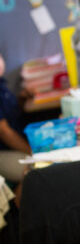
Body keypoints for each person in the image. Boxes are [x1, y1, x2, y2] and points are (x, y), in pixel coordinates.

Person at [0, 53, 31, 184]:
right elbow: (3, 131)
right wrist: (31, 151)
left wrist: (21, 99)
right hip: (4, 151)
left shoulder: (2, 86)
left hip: (15, 147)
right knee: (35, 171)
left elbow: (9, 112)